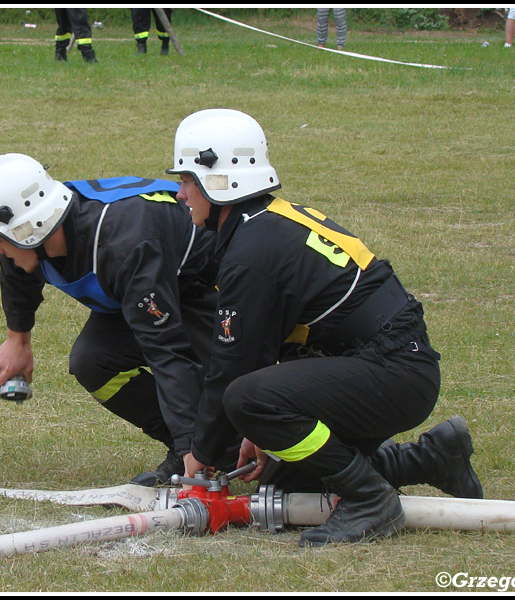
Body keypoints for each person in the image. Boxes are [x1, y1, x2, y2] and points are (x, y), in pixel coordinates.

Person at [167, 109, 482, 547]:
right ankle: (430, 459)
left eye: (186, 180)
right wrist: (261, 428)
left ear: (220, 181)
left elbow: (234, 370)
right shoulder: (268, 224)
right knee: (287, 481)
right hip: (391, 364)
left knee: (246, 397)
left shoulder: (252, 252)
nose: (181, 193)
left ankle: (372, 501)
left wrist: (199, 453)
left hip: (393, 372)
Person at [0, 154, 238, 486]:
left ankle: (219, 451)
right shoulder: (36, 234)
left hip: (205, 286)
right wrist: (17, 341)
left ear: (31, 229)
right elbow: (18, 276)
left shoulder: (123, 245)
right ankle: (193, 452)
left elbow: (167, 353)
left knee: (222, 373)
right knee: (92, 361)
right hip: (146, 285)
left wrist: (192, 441)